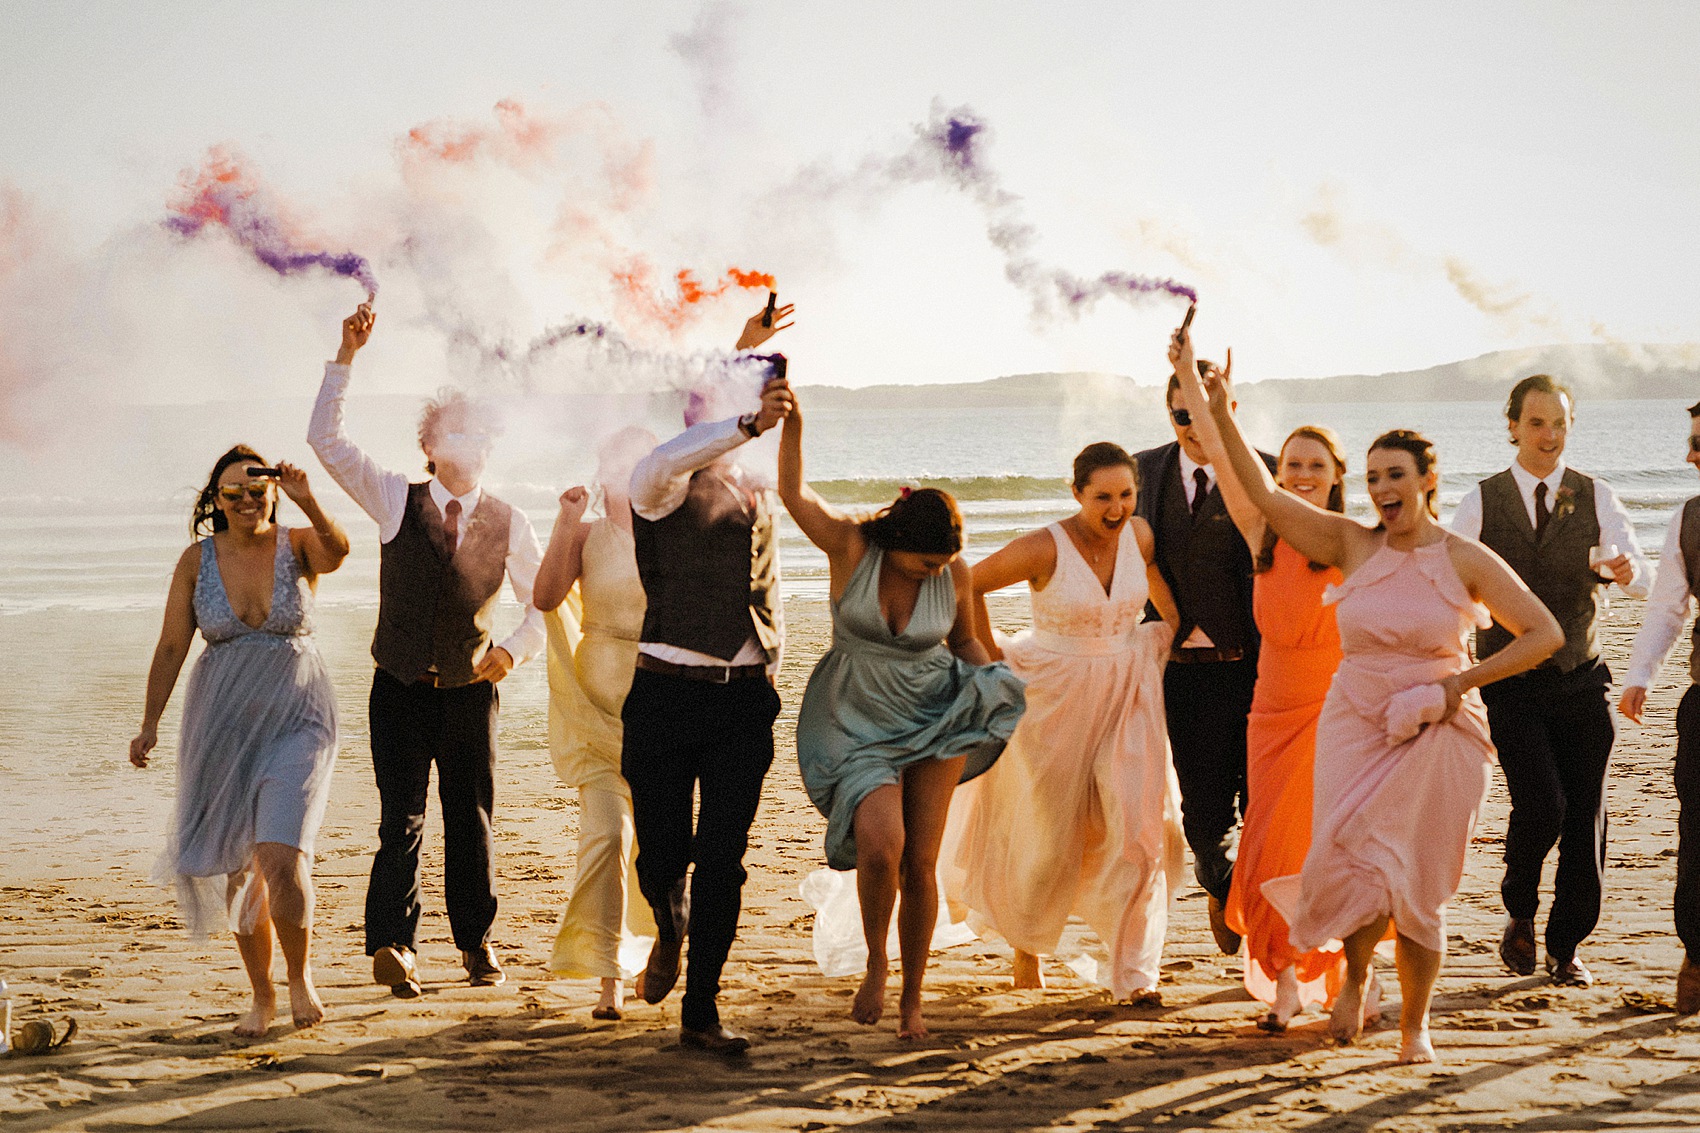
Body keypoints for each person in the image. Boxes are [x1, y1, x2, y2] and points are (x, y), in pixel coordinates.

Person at [1174, 323, 1563, 1064]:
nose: (1383, 489)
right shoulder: (1351, 545)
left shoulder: (1464, 558)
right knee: (1350, 860)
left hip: (1438, 727)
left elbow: (1542, 634)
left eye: (1397, 476)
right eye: (1376, 477)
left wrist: (1457, 683)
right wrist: (1221, 408)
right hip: (1353, 720)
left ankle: (1416, 1026)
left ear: (1426, 482)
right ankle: (1353, 974)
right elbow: (1259, 491)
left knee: (1416, 883)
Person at [308, 302, 546, 997]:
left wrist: (513, 651)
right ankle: (393, 944)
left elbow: (544, 604)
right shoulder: (393, 500)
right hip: (401, 688)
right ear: (431, 445)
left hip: (472, 695)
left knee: (471, 823)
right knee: (400, 820)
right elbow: (326, 439)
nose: (471, 443)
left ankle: (476, 943)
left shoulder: (510, 520)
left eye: (481, 434)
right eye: (457, 431)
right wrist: (345, 356)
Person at [781, 390, 1025, 1041]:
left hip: (937, 716)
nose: (934, 577)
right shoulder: (851, 547)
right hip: (858, 718)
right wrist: (794, 425)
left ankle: (913, 997)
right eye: (924, 566)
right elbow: (793, 492)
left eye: (943, 567)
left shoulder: (956, 573)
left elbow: (967, 641)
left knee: (921, 860)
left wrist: (994, 675)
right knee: (881, 848)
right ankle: (875, 961)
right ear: (898, 545)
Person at [1171, 357, 1375, 1031]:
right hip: (1271, 712)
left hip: (1338, 714)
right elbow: (1233, 470)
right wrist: (1204, 393)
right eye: (1291, 465)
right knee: (1269, 849)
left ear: (1339, 475)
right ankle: (1285, 977)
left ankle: (1347, 978)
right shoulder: (1262, 533)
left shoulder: (1356, 544)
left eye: (1316, 465)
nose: (1302, 476)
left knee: (1334, 847)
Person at [950, 442, 1183, 1004]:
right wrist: (987, 659)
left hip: (1127, 691)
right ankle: (1027, 947)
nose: (1116, 508)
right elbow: (968, 583)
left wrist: (1166, 627)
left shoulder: (1141, 535)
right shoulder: (1044, 547)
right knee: (1049, 836)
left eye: (1126, 494)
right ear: (1076, 493)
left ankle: (1134, 975)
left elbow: (1151, 578)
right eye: (1102, 496)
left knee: (1139, 830)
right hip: (1051, 697)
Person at [621, 302, 795, 1055]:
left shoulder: (757, 489)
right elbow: (679, 450)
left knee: (724, 857)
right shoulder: (657, 481)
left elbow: (767, 582)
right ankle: (668, 922)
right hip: (663, 695)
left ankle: (702, 1008)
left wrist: (748, 353)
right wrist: (744, 414)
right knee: (661, 855)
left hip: (741, 701)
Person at [130, 449, 349, 1036]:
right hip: (222, 723)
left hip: (298, 715)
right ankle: (262, 995)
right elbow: (173, 645)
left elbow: (340, 553)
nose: (249, 501)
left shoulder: (299, 543)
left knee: (281, 854)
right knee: (237, 868)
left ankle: (300, 979)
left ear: (273, 492)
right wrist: (149, 723)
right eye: (234, 493)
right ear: (216, 500)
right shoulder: (195, 562)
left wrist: (308, 499)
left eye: (259, 490)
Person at [1451, 374, 1650, 989]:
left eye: (1560, 423)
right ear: (1512, 425)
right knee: (1541, 803)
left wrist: (1621, 569)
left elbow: (1640, 573)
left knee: (1586, 812)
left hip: (1581, 679)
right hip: (1511, 683)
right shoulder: (1481, 501)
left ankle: (1566, 948)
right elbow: (1450, 580)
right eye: (1536, 422)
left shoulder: (1597, 496)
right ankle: (1519, 907)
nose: (1549, 435)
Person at [1134, 352, 1276, 956]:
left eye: (1203, 410)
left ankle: (1259, 912)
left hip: (1259, 668)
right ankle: (1223, 886)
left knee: (1263, 803)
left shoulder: (1267, 473)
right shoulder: (1144, 472)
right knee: (1203, 814)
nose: (1192, 425)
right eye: (1180, 414)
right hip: (1182, 675)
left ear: (1230, 410)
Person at [533, 427, 660, 1021]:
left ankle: (659, 947)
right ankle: (607, 977)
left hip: (662, 703)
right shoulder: (587, 535)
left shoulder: (672, 534)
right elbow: (545, 596)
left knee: (659, 848)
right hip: (594, 704)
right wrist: (565, 521)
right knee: (607, 837)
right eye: (621, 463)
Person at [1618, 399, 1700, 1014]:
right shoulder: (1688, 520)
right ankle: (1696, 957)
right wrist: (1641, 674)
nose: (1689, 455)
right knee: (1696, 834)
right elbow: (1668, 607)